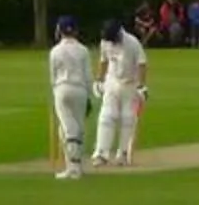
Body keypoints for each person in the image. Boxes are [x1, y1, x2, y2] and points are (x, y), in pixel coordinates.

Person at [94, 14, 149, 165]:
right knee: (107, 115)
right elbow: (103, 60)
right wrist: (99, 80)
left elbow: (142, 64)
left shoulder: (132, 42)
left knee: (127, 118)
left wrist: (142, 86)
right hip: (111, 81)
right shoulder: (105, 41)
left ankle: (122, 154)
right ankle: (101, 153)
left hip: (130, 84)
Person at [46, 16, 92, 179]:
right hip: (80, 90)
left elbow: (53, 77)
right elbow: (88, 76)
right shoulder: (83, 50)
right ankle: (74, 165)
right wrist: (89, 96)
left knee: (69, 128)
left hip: (62, 89)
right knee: (75, 127)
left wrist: (54, 95)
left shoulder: (55, 51)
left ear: (59, 31)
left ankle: (73, 167)